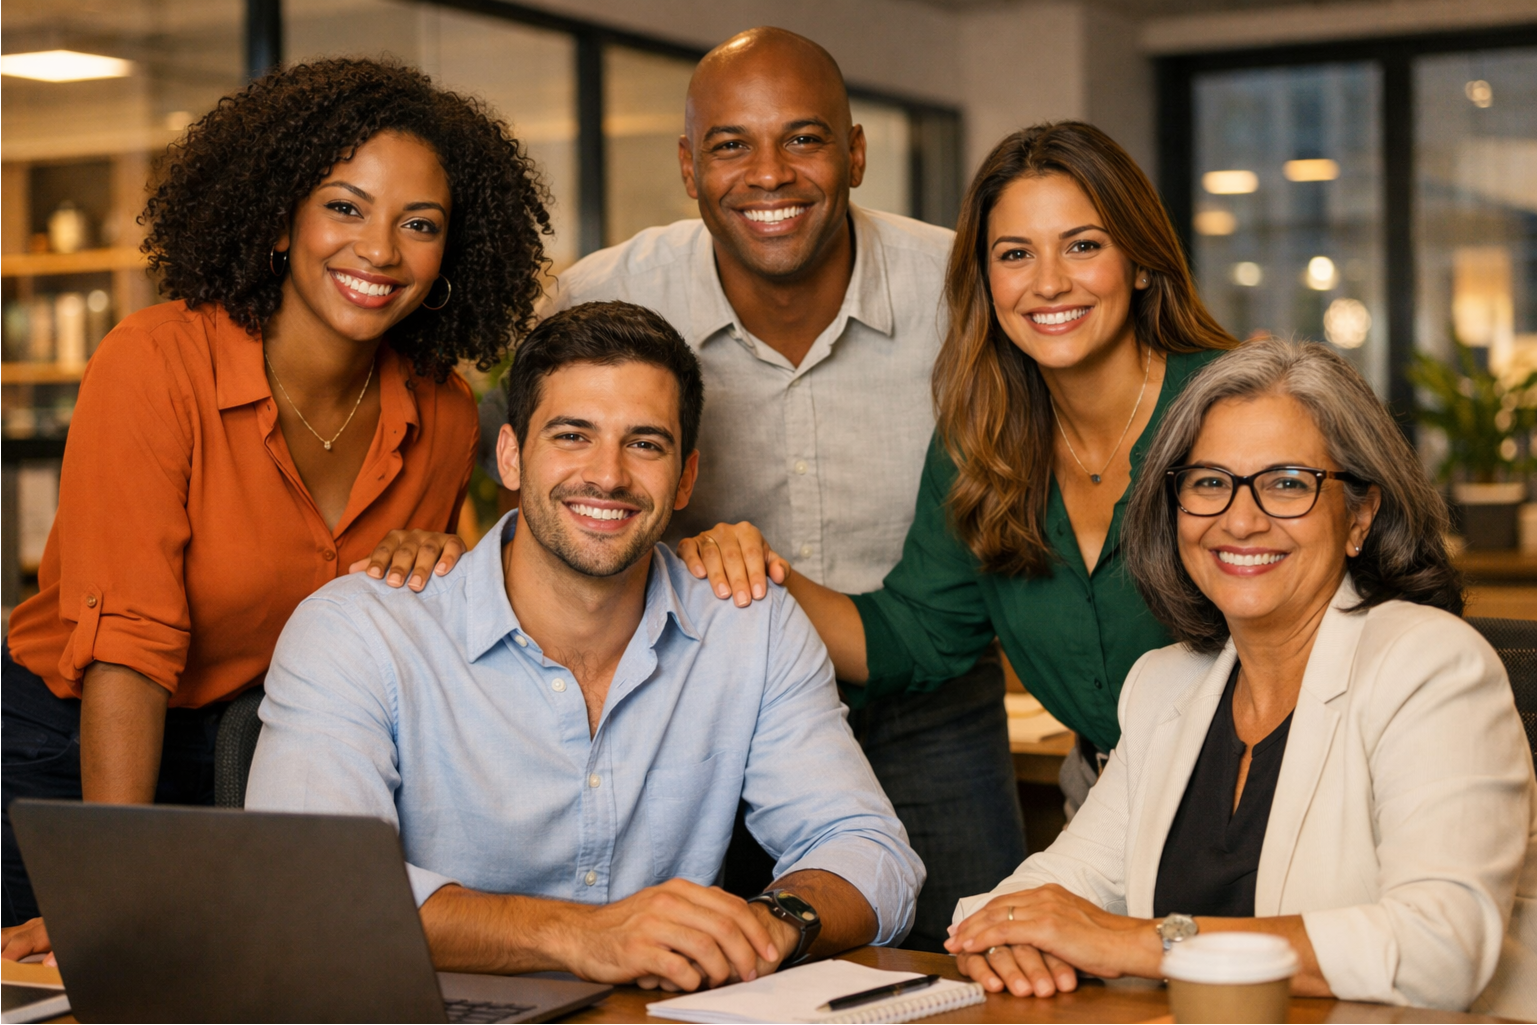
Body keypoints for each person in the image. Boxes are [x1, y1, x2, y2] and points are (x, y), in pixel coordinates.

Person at [452, 27, 1021, 951]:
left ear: (855, 153)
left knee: (974, 961)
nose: (769, 174)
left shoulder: (960, 290)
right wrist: (424, 535)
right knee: (717, 962)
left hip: (929, 702)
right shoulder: (604, 295)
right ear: (688, 166)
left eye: (803, 138)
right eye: (730, 144)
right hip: (704, 706)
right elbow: (544, 475)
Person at [0, 58, 550, 944]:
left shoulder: (443, 411)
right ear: (279, 217)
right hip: (73, 758)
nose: (378, 250)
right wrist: (111, 884)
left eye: (419, 223)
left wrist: (436, 568)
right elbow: (128, 652)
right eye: (344, 206)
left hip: (256, 761)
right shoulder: (155, 364)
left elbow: (400, 635)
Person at [244, 302, 922, 992]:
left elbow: (873, 855)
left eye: (645, 443)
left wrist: (773, 922)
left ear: (685, 477)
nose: (608, 475)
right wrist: (580, 934)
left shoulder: (750, 625)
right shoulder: (360, 631)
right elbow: (306, 891)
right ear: (510, 454)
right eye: (572, 435)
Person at [945, 339, 1536, 1017]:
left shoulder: (1431, 666)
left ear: (1360, 515)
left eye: (1286, 482)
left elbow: (1439, 950)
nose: (1240, 518)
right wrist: (1005, 937)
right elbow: (1033, 897)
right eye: (1208, 481)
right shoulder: (1162, 686)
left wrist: (1143, 942)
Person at [683, 122, 1238, 820]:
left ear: (1140, 261)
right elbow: (918, 634)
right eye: (1014, 254)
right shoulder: (982, 443)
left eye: (1083, 245)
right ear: (984, 277)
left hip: (1276, 796)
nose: (1048, 282)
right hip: (1107, 797)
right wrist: (752, 571)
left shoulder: (1237, 410)